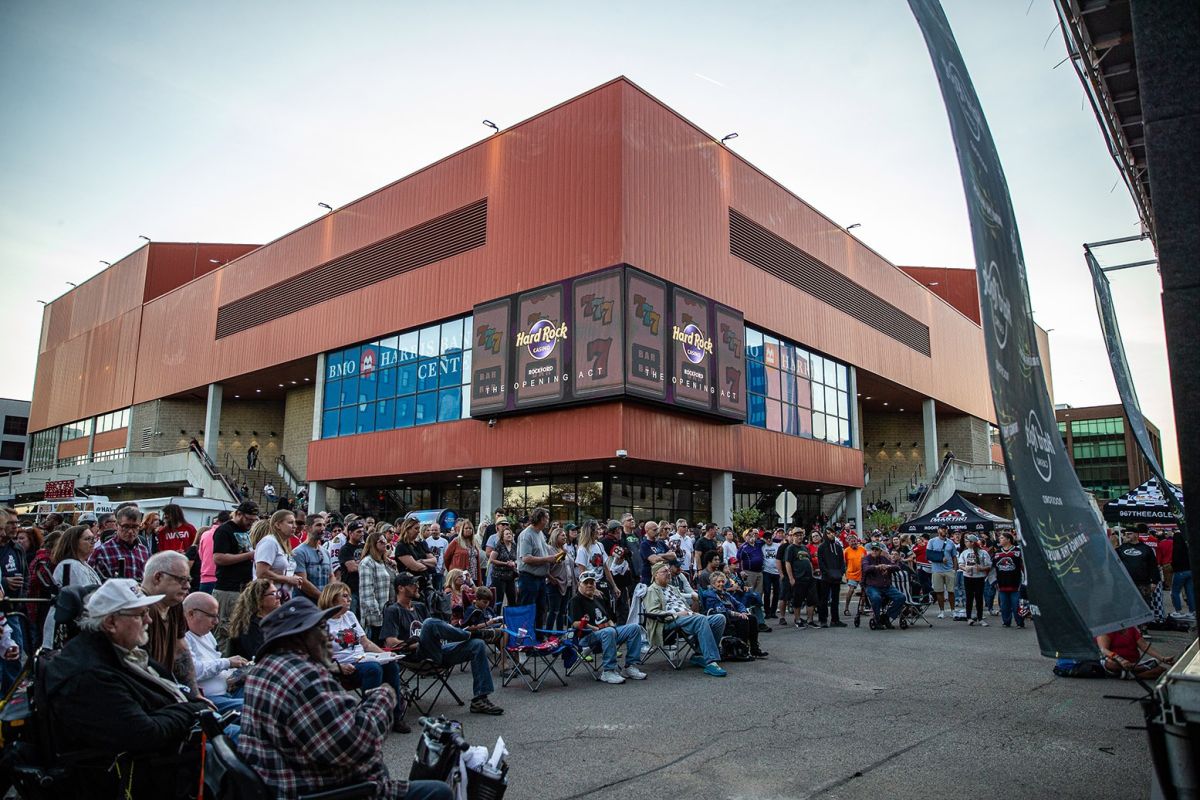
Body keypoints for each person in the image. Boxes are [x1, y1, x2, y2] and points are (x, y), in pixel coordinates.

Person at [240, 596, 452, 799]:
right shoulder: (304, 679)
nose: (330, 636)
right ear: (300, 636)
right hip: (326, 789)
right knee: (438, 791)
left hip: (291, 778)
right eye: (322, 629)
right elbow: (359, 746)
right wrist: (383, 697)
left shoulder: (261, 672)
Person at [44, 579, 211, 800]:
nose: (149, 620)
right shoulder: (90, 675)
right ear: (111, 622)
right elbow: (145, 733)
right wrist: (192, 709)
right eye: (140, 614)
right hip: (133, 777)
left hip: (172, 757)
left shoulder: (121, 650)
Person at [380, 573, 504, 716]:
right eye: (413, 584)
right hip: (417, 655)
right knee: (430, 623)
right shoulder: (393, 610)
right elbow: (390, 642)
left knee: (477, 645)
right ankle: (472, 632)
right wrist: (416, 643)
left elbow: (434, 631)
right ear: (400, 588)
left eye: (417, 583)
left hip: (436, 650)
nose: (417, 586)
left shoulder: (419, 607)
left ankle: (480, 699)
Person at [317, 581, 408, 731]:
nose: (350, 599)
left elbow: (365, 642)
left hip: (362, 659)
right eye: (345, 596)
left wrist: (385, 654)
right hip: (343, 666)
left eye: (349, 596)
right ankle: (367, 720)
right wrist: (337, 667)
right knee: (373, 669)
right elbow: (318, 655)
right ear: (332, 598)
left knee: (391, 665)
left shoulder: (350, 616)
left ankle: (395, 717)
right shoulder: (322, 622)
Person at [643, 562, 727, 677]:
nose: (668, 573)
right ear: (655, 575)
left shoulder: (673, 588)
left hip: (687, 617)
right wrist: (677, 614)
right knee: (701, 620)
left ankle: (700, 654)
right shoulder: (651, 590)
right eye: (664, 572)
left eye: (668, 571)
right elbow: (653, 612)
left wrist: (692, 613)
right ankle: (711, 662)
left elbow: (685, 606)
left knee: (719, 619)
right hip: (668, 622)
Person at [570, 571, 647, 683]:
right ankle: (608, 671)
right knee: (609, 631)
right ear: (579, 585)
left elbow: (610, 618)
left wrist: (611, 624)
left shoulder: (599, 598)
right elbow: (575, 623)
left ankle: (630, 667)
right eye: (586, 583)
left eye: (592, 582)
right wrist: (595, 628)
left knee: (634, 628)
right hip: (587, 636)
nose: (589, 585)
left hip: (608, 631)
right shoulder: (575, 600)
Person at [183, 592, 247, 718]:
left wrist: (235, 674)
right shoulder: (183, 638)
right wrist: (227, 662)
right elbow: (194, 670)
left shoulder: (206, 634)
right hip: (209, 699)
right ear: (191, 614)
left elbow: (214, 663)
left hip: (226, 693)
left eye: (217, 616)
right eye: (211, 616)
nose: (216, 622)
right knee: (254, 707)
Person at [212, 501, 261, 642]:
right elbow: (219, 558)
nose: (250, 523)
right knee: (224, 631)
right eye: (248, 519)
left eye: (253, 520)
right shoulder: (224, 530)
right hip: (228, 589)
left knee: (240, 631)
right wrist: (249, 555)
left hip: (243, 588)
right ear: (238, 514)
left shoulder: (245, 531)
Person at [700, 570, 767, 658]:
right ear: (713, 584)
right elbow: (720, 610)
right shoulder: (710, 595)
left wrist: (743, 612)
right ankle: (742, 650)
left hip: (732, 617)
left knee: (752, 618)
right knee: (743, 620)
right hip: (721, 618)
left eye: (723, 581)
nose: (721, 584)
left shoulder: (726, 594)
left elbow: (739, 604)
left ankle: (754, 649)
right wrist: (738, 614)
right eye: (718, 582)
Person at [88, 505, 150, 581]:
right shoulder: (101, 552)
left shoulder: (143, 551)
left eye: (135, 527)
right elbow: (91, 582)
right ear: (117, 525)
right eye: (125, 526)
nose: (130, 531)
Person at [254, 509, 304, 601]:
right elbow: (261, 573)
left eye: (295, 523)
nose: (294, 526)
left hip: (283, 597)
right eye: (290, 523)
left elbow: (283, 570)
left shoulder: (284, 543)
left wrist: (293, 577)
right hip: (268, 598)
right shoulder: (269, 542)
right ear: (277, 525)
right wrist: (288, 579)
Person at [517, 507, 555, 625]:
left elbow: (543, 552)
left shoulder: (540, 534)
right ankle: (525, 637)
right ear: (541, 519)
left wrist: (555, 557)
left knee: (541, 609)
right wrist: (547, 559)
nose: (548, 521)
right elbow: (526, 558)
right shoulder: (526, 535)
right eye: (547, 518)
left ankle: (539, 636)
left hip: (541, 578)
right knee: (528, 609)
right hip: (529, 578)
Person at [226, 578, 281, 660]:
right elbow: (257, 656)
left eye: (277, 592)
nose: (278, 596)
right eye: (273, 594)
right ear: (260, 599)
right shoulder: (249, 625)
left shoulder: (272, 620)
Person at [1097, 626, 1175, 679]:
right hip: (1116, 661)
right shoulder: (1106, 629)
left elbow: (1144, 647)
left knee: (1161, 670)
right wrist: (1120, 659)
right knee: (1110, 663)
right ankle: (1136, 671)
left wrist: (1162, 658)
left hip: (1133, 663)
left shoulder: (1132, 629)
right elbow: (1104, 650)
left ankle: (1129, 674)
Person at [359, 531, 396, 640]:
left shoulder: (384, 562)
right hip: (375, 617)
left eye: (386, 541)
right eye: (381, 542)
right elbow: (367, 593)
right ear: (373, 544)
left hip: (388, 612)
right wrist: (377, 614)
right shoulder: (367, 563)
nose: (385, 544)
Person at [1116, 528, 1161, 615]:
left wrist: (1154, 581)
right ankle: (1129, 626)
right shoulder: (1121, 548)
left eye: (1129, 533)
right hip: (1126, 582)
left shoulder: (1146, 548)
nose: (1127, 535)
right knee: (1125, 605)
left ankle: (1143, 625)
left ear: (1136, 535)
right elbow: (1114, 562)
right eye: (1125, 534)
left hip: (1143, 582)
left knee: (1144, 604)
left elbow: (1153, 565)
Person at [861, 542, 905, 629]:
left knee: (901, 597)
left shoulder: (884, 558)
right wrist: (877, 567)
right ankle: (877, 619)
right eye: (873, 549)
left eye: (876, 549)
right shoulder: (866, 559)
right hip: (872, 586)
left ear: (880, 551)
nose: (874, 551)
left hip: (886, 586)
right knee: (876, 598)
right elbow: (865, 568)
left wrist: (887, 567)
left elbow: (897, 567)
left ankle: (886, 617)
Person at [293, 513, 333, 598]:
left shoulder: (326, 552)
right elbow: (302, 581)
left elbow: (331, 576)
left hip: (324, 604)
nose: (323, 528)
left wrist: (331, 596)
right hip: (305, 605)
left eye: (324, 525)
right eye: (318, 525)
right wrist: (323, 598)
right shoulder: (299, 552)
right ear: (307, 528)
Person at [784, 529, 816, 629]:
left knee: (811, 599)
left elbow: (809, 561)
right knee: (797, 600)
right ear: (793, 536)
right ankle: (797, 619)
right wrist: (791, 578)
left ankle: (810, 620)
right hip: (798, 578)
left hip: (809, 578)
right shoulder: (790, 548)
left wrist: (812, 573)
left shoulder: (804, 548)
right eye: (797, 535)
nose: (799, 537)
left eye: (801, 535)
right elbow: (788, 563)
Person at [816, 528, 847, 627]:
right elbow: (821, 563)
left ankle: (835, 620)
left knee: (835, 599)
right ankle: (823, 620)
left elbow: (842, 562)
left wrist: (841, 572)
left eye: (832, 533)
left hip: (836, 577)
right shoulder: (821, 547)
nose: (831, 535)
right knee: (824, 599)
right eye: (828, 533)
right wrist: (826, 572)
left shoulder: (838, 547)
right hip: (826, 577)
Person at [993, 533, 1025, 628]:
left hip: (1015, 583)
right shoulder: (997, 553)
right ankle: (1006, 622)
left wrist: (1025, 580)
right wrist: (994, 581)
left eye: (1002, 538)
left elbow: (1023, 566)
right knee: (1004, 605)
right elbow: (993, 568)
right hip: (1002, 583)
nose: (1000, 540)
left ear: (1008, 539)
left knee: (1016, 605)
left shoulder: (1018, 551)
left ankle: (1020, 622)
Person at [925, 526, 958, 618]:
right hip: (936, 570)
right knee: (939, 591)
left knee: (951, 591)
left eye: (945, 529)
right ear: (938, 530)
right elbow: (928, 555)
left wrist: (955, 569)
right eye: (942, 528)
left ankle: (953, 611)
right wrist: (939, 559)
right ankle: (942, 611)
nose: (944, 530)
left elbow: (954, 556)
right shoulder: (932, 541)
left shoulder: (950, 542)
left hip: (949, 569)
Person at [547, 527, 575, 629]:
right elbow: (545, 567)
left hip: (567, 584)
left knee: (563, 612)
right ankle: (548, 633)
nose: (565, 537)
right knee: (554, 611)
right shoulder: (549, 549)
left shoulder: (565, 549)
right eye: (562, 535)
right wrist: (551, 579)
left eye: (565, 535)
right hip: (555, 584)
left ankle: (560, 634)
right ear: (555, 536)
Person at [489, 524, 519, 607]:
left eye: (510, 534)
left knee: (512, 598)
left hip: (510, 576)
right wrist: (505, 563)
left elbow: (517, 558)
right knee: (499, 599)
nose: (509, 535)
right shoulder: (499, 546)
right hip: (498, 576)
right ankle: (497, 617)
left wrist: (514, 563)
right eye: (507, 534)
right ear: (502, 536)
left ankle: (511, 617)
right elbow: (492, 560)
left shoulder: (514, 546)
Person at [841, 533, 866, 619]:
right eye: (851, 542)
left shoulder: (862, 549)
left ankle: (862, 608)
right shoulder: (846, 551)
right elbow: (844, 564)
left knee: (864, 591)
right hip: (851, 574)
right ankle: (846, 608)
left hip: (862, 573)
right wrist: (845, 575)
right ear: (848, 542)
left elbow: (866, 560)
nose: (853, 543)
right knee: (851, 590)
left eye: (854, 541)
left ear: (857, 541)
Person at [1170, 531, 1194, 617]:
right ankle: (1192, 611)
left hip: (1180, 572)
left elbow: (1174, 561)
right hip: (1190, 571)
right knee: (1190, 592)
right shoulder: (1188, 548)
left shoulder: (1176, 549)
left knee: (1175, 592)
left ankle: (1178, 611)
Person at [736, 529, 765, 596]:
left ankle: (758, 606)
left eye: (753, 534)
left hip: (760, 572)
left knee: (759, 593)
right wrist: (741, 571)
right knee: (750, 592)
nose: (752, 536)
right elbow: (739, 560)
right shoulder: (743, 547)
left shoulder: (759, 543)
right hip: (749, 573)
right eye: (749, 535)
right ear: (745, 537)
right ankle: (750, 606)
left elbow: (768, 539)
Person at [761, 530, 782, 619]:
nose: (769, 540)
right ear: (764, 539)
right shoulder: (762, 547)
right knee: (767, 592)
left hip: (777, 572)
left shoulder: (777, 546)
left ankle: (773, 612)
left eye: (770, 538)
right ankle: (767, 612)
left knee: (776, 592)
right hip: (767, 571)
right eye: (767, 538)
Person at [424, 521, 449, 592]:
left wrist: (443, 568)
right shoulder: (427, 541)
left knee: (439, 590)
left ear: (439, 530)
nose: (434, 532)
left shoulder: (444, 542)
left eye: (436, 530)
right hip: (430, 570)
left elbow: (446, 556)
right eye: (432, 530)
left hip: (440, 570)